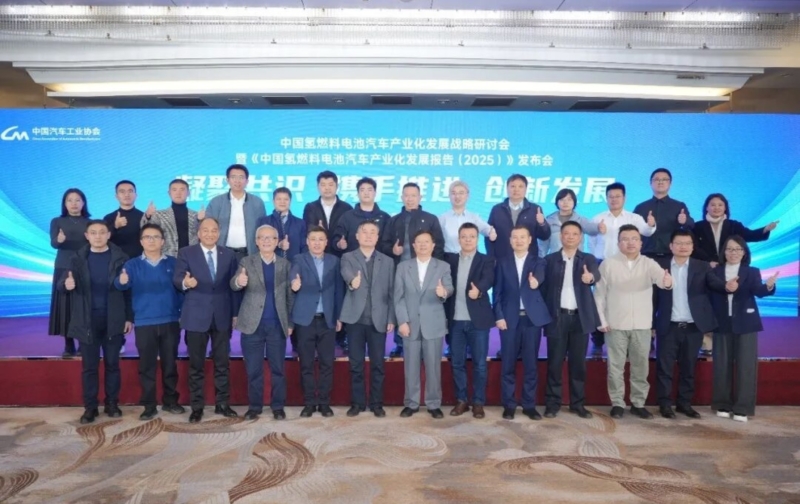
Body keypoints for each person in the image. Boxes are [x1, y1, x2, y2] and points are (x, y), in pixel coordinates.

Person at [594, 224, 672, 420]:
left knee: (640, 367)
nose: (630, 242)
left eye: (634, 239)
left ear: (641, 242)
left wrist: (668, 282)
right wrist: (601, 320)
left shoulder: (649, 263)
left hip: (642, 325)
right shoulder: (608, 264)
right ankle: (617, 403)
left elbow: (662, 280)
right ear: (618, 243)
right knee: (615, 367)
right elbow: (599, 295)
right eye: (625, 239)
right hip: (615, 324)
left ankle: (638, 403)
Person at [59, 220, 131, 424]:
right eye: (93, 232)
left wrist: (128, 317)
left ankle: (112, 404)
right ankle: (90, 407)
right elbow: (62, 284)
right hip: (87, 320)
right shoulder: (77, 259)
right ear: (87, 236)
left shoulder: (121, 258)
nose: (98, 236)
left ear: (108, 235)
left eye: (102, 232)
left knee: (112, 365)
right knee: (89, 367)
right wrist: (66, 284)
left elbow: (129, 291)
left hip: (113, 319)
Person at [653, 229, 727, 420]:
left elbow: (714, 284)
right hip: (668, 325)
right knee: (664, 368)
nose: (683, 247)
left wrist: (727, 286)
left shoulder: (702, 266)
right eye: (679, 243)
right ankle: (665, 405)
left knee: (688, 368)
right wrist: (652, 323)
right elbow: (653, 297)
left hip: (693, 326)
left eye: (687, 243)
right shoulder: (660, 266)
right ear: (671, 246)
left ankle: (684, 404)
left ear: (693, 247)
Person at [692, 193, 778, 356]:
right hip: (705, 270)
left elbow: (749, 235)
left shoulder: (733, 225)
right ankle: (707, 340)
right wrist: (708, 262)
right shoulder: (697, 227)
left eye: (720, 205)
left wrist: (765, 229)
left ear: (725, 208)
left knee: (726, 304)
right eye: (712, 204)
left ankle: (729, 337)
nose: (716, 208)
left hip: (728, 269)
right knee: (707, 304)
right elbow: (693, 248)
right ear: (706, 207)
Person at [114, 223, 185, 420]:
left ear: (163, 241)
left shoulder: (174, 263)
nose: (151, 240)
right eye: (147, 237)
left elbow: (182, 290)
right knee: (147, 366)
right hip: (144, 322)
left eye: (156, 237)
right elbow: (122, 287)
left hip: (170, 320)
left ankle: (171, 401)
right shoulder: (132, 265)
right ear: (141, 241)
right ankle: (149, 405)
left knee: (170, 364)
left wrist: (182, 313)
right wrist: (120, 282)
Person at [173, 217, 239, 423]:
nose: (210, 234)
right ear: (199, 233)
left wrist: (235, 314)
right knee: (196, 365)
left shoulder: (229, 254)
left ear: (219, 233)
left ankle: (222, 403)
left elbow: (233, 287)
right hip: (196, 316)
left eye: (214, 230)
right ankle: (197, 407)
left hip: (222, 314)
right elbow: (177, 278)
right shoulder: (186, 252)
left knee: (222, 363)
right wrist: (185, 282)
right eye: (206, 230)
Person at [709, 236, 778, 422]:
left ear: (744, 252)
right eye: (730, 249)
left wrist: (769, 286)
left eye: (738, 249)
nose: (734, 253)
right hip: (721, 323)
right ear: (724, 252)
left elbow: (759, 291)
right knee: (721, 365)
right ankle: (722, 404)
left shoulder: (752, 271)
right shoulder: (715, 271)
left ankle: (742, 407)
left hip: (746, 323)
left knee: (746, 366)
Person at [231, 224, 294, 421]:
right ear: (256, 241)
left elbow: (289, 296)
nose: (266, 241)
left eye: (271, 238)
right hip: (252, 325)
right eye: (262, 238)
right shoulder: (246, 262)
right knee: (253, 369)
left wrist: (290, 323)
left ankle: (278, 406)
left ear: (277, 242)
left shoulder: (285, 264)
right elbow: (234, 284)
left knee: (278, 369)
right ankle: (255, 407)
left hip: (277, 324)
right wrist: (238, 282)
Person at [588, 182, 656, 356]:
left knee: (628, 301)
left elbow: (647, 232)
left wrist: (651, 225)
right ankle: (597, 341)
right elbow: (592, 242)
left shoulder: (634, 218)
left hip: (629, 264)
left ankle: (636, 340)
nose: (614, 199)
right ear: (606, 198)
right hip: (603, 263)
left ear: (624, 198)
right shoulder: (598, 218)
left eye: (618, 196)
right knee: (600, 301)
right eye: (611, 196)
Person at [542, 221, 601, 419]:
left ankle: (578, 404)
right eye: (566, 233)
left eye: (575, 234)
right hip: (557, 318)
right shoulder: (549, 260)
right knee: (554, 364)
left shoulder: (588, 259)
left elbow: (595, 274)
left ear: (581, 237)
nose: (570, 237)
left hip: (579, 319)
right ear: (560, 236)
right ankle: (552, 404)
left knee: (578, 365)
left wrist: (590, 278)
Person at [493, 225, 551, 420]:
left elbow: (540, 277)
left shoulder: (538, 261)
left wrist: (536, 282)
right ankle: (509, 405)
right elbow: (497, 293)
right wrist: (499, 316)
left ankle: (529, 405)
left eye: (522, 237)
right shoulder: (502, 262)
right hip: (509, 319)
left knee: (531, 365)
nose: (518, 241)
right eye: (515, 237)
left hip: (531, 320)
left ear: (529, 240)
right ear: (510, 241)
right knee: (507, 364)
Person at [394, 230, 453, 419]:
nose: (422, 245)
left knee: (433, 367)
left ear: (433, 245)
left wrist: (444, 292)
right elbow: (398, 297)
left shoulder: (442, 266)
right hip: (410, 324)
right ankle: (411, 403)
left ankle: (433, 403)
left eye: (426, 242)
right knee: (410, 366)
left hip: (433, 323)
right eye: (418, 242)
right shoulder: (403, 267)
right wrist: (402, 321)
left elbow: (449, 288)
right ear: (413, 245)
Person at [340, 221, 396, 418]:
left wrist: (391, 317)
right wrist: (352, 281)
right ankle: (357, 403)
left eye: (373, 232)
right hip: (354, 320)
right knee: (355, 365)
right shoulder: (347, 257)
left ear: (378, 237)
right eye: (365, 232)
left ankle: (376, 403)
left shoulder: (387, 261)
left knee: (378, 364)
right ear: (357, 236)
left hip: (378, 319)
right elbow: (346, 274)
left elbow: (392, 292)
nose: (369, 235)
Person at [383, 182, 445, 358]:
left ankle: (425, 340)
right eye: (406, 195)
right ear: (402, 197)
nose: (409, 199)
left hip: (425, 272)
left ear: (420, 197)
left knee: (424, 306)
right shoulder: (394, 220)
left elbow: (439, 246)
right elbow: (384, 245)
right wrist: (392, 250)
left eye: (413, 195)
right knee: (400, 303)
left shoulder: (431, 219)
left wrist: (436, 271)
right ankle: (399, 343)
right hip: (401, 272)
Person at [290, 225, 344, 418]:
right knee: (306, 364)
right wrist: (294, 283)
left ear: (326, 242)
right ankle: (309, 403)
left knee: (327, 364)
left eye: (321, 239)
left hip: (327, 319)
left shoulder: (334, 261)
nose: (317, 243)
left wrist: (338, 316)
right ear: (307, 241)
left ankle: (324, 403)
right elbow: (293, 275)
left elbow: (339, 290)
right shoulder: (299, 259)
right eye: (313, 239)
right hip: (305, 319)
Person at [444, 223, 495, 419]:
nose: (467, 240)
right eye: (464, 236)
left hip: (478, 321)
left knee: (480, 364)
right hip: (455, 321)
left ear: (477, 239)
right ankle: (462, 400)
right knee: (457, 363)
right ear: (458, 239)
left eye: (472, 236)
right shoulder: (450, 260)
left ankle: (478, 402)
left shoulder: (486, 260)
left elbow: (488, 279)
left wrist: (479, 290)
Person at [49, 188, 90, 358]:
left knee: (82, 306)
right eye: (70, 200)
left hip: (84, 267)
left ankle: (83, 342)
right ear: (64, 204)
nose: (74, 204)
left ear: (83, 203)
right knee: (65, 306)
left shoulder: (90, 223)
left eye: (77, 200)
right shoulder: (57, 221)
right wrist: (58, 240)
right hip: (63, 266)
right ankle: (68, 344)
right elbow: (54, 243)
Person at [205, 164, 267, 261]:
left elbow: (263, 229)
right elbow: (207, 227)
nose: (237, 181)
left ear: (247, 181)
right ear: (227, 180)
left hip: (249, 253)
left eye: (241, 177)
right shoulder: (216, 202)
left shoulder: (257, 203)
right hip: (222, 252)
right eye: (233, 177)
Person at [486, 174, 550, 261]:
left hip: (528, 260)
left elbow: (544, 236)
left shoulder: (535, 209)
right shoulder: (497, 209)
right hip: (502, 260)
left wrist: (542, 223)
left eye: (520, 186)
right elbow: (489, 235)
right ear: (507, 188)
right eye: (513, 186)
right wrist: (491, 259)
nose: (516, 189)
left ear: (526, 189)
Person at [633, 168, 694, 259]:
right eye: (657, 179)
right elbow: (632, 231)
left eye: (664, 179)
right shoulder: (641, 207)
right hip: (645, 256)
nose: (660, 182)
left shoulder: (679, 206)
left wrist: (685, 221)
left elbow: (691, 226)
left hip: (672, 256)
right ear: (650, 183)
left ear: (670, 183)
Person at [141, 179, 202, 257]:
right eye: (174, 190)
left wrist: (201, 221)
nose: (178, 193)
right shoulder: (160, 215)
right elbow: (145, 230)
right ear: (169, 193)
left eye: (182, 189)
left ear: (188, 193)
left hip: (191, 257)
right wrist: (148, 216)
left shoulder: (196, 215)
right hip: (167, 257)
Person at [332, 177, 391, 255]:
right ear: (357, 194)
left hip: (378, 261)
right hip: (352, 260)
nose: (366, 193)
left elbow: (388, 243)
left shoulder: (385, 217)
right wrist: (339, 244)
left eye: (369, 190)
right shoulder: (347, 216)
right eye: (362, 190)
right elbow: (337, 237)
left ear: (375, 193)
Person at [302, 170, 353, 257]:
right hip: (316, 255)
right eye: (323, 185)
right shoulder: (310, 207)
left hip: (340, 255)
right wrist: (318, 230)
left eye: (330, 185)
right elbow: (307, 229)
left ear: (337, 186)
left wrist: (340, 244)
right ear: (318, 187)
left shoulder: (346, 208)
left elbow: (350, 233)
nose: (327, 188)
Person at [438, 180, 496, 255]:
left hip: (471, 258)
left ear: (467, 196)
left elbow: (487, 230)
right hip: (449, 258)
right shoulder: (442, 219)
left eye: (461, 193)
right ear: (449, 196)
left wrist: (492, 232)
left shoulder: (474, 217)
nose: (457, 196)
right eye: (453, 193)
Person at [539, 188, 599, 257]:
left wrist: (598, 227)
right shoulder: (549, 221)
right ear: (557, 202)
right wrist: (540, 259)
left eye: (569, 200)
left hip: (577, 259)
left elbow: (592, 230)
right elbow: (543, 244)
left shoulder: (580, 220)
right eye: (562, 200)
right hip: (555, 260)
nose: (565, 202)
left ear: (574, 202)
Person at [257, 187, 308, 262]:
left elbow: (304, 247)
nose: (282, 202)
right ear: (273, 201)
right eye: (279, 199)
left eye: (286, 199)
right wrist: (279, 243)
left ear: (290, 201)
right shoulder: (264, 221)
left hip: (294, 264)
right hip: (270, 263)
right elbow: (259, 243)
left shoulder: (300, 223)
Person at [103, 180, 144, 259]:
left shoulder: (143, 217)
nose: (126, 194)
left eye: (130, 191)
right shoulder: (108, 218)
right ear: (116, 196)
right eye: (122, 191)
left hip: (139, 260)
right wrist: (115, 226)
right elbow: (102, 240)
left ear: (136, 195)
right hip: (116, 261)